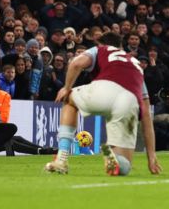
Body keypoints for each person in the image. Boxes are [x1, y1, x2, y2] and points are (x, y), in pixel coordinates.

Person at [44, 32, 161, 176]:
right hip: (130, 103)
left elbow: (76, 63)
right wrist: (151, 156)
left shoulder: (101, 50)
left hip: (106, 88)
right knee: (123, 167)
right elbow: (147, 116)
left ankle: (61, 158)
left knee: (69, 99)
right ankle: (114, 158)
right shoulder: (135, 64)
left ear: (102, 45)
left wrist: (66, 88)